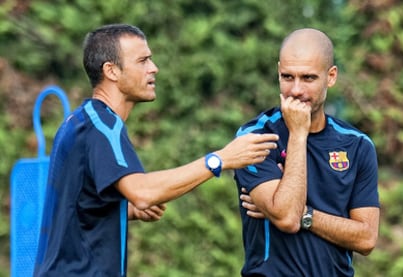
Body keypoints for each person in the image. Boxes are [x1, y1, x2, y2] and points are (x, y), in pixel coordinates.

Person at [33, 23, 279, 277]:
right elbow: (142, 192)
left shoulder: (80, 121)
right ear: (111, 71)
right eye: (143, 60)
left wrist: (123, 210)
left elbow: (77, 207)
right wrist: (219, 159)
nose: (154, 68)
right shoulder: (103, 127)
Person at [234, 28, 380, 276]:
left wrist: (306, 214)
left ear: (331, 76)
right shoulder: (254, 138)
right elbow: (287, 219)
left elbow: (366, 238)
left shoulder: (357, 144)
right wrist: (298, 134)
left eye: (308, 78)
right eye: (287, 77)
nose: (296, 90)